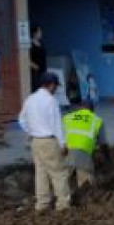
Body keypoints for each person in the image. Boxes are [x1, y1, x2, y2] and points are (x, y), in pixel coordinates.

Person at [19, 72, 71, 211]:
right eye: (55, 86)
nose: (56, 89)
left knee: (41, 173)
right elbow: (56, 124)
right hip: (49, 140)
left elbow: (22, 120)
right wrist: (63, 143)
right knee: (58, 173)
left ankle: (42, 204)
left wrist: (31, 132)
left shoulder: (30, 99)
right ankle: (63, 204)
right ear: (51, 85)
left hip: (36, 141)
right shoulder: (51, 101)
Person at [63, 100, 110, 199]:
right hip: (83, 154)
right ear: (92, 110)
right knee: (86, 185)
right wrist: (108, 159)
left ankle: (63, 199)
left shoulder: (68, 117)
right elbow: (103, 144)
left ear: (79, 108)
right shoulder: (97, 120)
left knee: (61, 180)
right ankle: (84, 203)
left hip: (66, 153)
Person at [28, 25, 46, 93]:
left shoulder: (41, 44)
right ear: (34, 33)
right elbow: (27, 58)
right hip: (35, 72)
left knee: (43, 89)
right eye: (39, 32)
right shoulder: (30, 44)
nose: (41, 33)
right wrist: (34, 66)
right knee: (36, 88)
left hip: (43, 70)